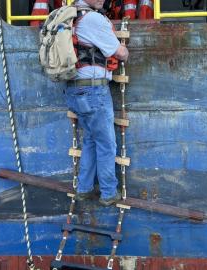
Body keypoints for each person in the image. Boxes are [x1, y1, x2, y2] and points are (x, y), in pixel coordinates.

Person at [66, 0, 129, 206]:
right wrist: (124, 50)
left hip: (75, 90)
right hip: (94, 91)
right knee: (107, 144)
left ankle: (84, 189)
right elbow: (119, 54)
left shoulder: (71, 16)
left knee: (91, 140)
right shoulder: (92, 18)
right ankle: (109, 193)